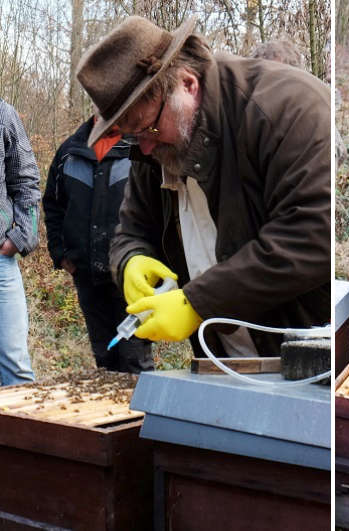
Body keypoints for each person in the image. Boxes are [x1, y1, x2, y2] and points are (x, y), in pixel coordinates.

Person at [74, 16, 330, 356]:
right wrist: (131, 261)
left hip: (305, 355)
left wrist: (197, 303)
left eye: (146, 129)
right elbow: (132, 229)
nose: (144, 148)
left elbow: (312, 234)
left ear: (187, 84)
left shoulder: (290, 109)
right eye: (130, 135)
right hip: (222, 359)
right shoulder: (155, 142)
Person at [43, 117, 152, 373]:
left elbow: (159, 210)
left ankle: (140, 414)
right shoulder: (69, 151)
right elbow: (53, 205)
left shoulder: (142, 148)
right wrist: (61, 254)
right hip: (87, 274)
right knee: (104, 359)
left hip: (132, 276)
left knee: (135, 361)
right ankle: (110, 413)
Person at [0, 98, 40, 385]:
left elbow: (26, 180)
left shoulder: (3, 114)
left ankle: (23, 431)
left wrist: (21, 235)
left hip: (0, 262)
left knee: (15, 368)